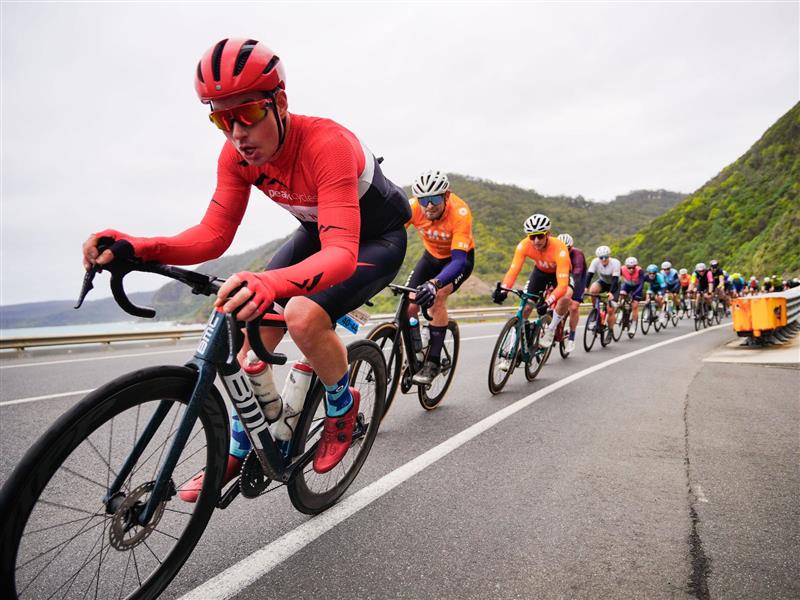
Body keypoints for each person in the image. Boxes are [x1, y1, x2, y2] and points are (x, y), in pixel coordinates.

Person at [82, 38, 411, 500]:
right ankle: (240, 445)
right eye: (221, 118)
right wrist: (139, 246)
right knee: (244, 333)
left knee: (301, 315)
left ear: (281, 102)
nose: (237, 132)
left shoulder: (327, 144)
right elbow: (213, 234)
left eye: (249, 113)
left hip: (374, 240)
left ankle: (341, 406)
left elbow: (339, 252)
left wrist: (269, 281)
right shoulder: (236, 156)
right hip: (318, 231)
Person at [405, 170, 475, 385]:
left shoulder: (460, 213)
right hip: (430, 257)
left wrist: (435, 284)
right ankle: (416, 351)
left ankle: (433, 362)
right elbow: (391, 237)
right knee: (409, 303)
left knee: (438, 297)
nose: (429, 206)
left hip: (457, 261)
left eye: (434, 199)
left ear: (446, 196)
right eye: (423, 200)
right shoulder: (412, 208)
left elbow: (458, 262)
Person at [493, 214, 572, 351]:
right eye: (532, 236)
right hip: (540, 273)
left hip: (558, 275)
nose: (536, 241)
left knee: (565, 297)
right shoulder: (524, 245)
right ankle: (512, 348)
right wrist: (504, 290)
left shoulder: (560, 249)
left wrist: (548, 302)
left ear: (548, 234)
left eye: (540, 236)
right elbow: (514, 270)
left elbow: (562, 286)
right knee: (527, 307)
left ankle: (551, 329)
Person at [557, 233, 586, 353]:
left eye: (567, 249)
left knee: (573, 307)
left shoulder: (577, 254)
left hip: (577, 278)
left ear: (571, 247)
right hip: (561, 275)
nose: (564, 251)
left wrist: (569, 287)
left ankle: (571, 338)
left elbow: (577, 273)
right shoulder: (555, 252)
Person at [586, 246, 622, 335]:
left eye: (606, 257)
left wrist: (611, 293)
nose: (604, 259)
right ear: (598, 258)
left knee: (610, 310)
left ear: (609, 256)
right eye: (601, 257)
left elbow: (615, 279)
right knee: (593, 290)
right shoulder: (595, 262)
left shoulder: (615, 263)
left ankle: (610, 331)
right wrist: (585, 288)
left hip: (614, 285)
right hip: (603, 282)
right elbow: (589, 275)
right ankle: (595, 311)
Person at [619, 256, 644, 323]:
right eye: (629, 268)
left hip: (637, 287)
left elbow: (641, 284)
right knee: (621, 293)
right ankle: (622, 308)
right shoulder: (622, 269)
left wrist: (635, 293)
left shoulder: (639, 270)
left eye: (633, 267)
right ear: (626, 266)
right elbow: (616, 279)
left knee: (634, 306)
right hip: (627, 285)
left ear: (636, 266)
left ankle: (634, 323)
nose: (631, 269)